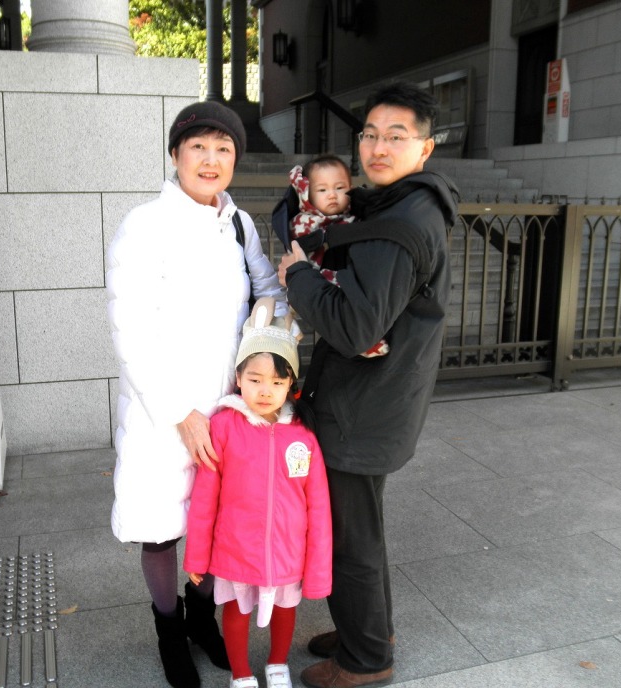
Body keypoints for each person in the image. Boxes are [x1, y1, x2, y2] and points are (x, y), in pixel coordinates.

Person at [277, 81, 460, 688]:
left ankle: (365, 660)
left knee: (349, 539)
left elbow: (355, 328)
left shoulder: (399, 224)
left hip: (362, 410)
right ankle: (370, 630)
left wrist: (299, 277)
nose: (378, 148)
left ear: (425, 148)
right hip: (381, 399)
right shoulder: (403, 205)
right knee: (363, 530)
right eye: (370, 135)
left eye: (396, 137)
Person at [105, 101, 288, 688]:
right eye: (199, 147)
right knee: (161, 527)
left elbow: (268, 287)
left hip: (227, 411)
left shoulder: (238, 224)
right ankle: (168, 630)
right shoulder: (144, 225)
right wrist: (178, 412)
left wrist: (269, 315)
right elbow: (129, 330)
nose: (211, 160)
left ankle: (201, 619)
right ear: (176, 154)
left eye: (223, 149)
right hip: (163, 412)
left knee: (214, 523)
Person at [184, 297, 332, 688]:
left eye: (277, 382)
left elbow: (318, 507)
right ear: (238, 377)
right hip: (236, 549)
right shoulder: (223, 428)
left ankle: (278, 664)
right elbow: (205, 499)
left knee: (285, 610)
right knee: (236, 610)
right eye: (255, 379)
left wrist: (317, 568)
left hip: (288, 551)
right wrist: (197, 553)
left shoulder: (303, 437)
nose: (266, 390)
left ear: (291, 386)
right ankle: (241, 674)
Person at [288, 155, 388, 358]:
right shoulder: (305, 220)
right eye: (322, 190)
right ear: (306, 195)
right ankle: (364, 342)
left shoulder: (356, 216)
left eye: (340, 188)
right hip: (318, 276)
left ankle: (367, 338)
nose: (332, 195)